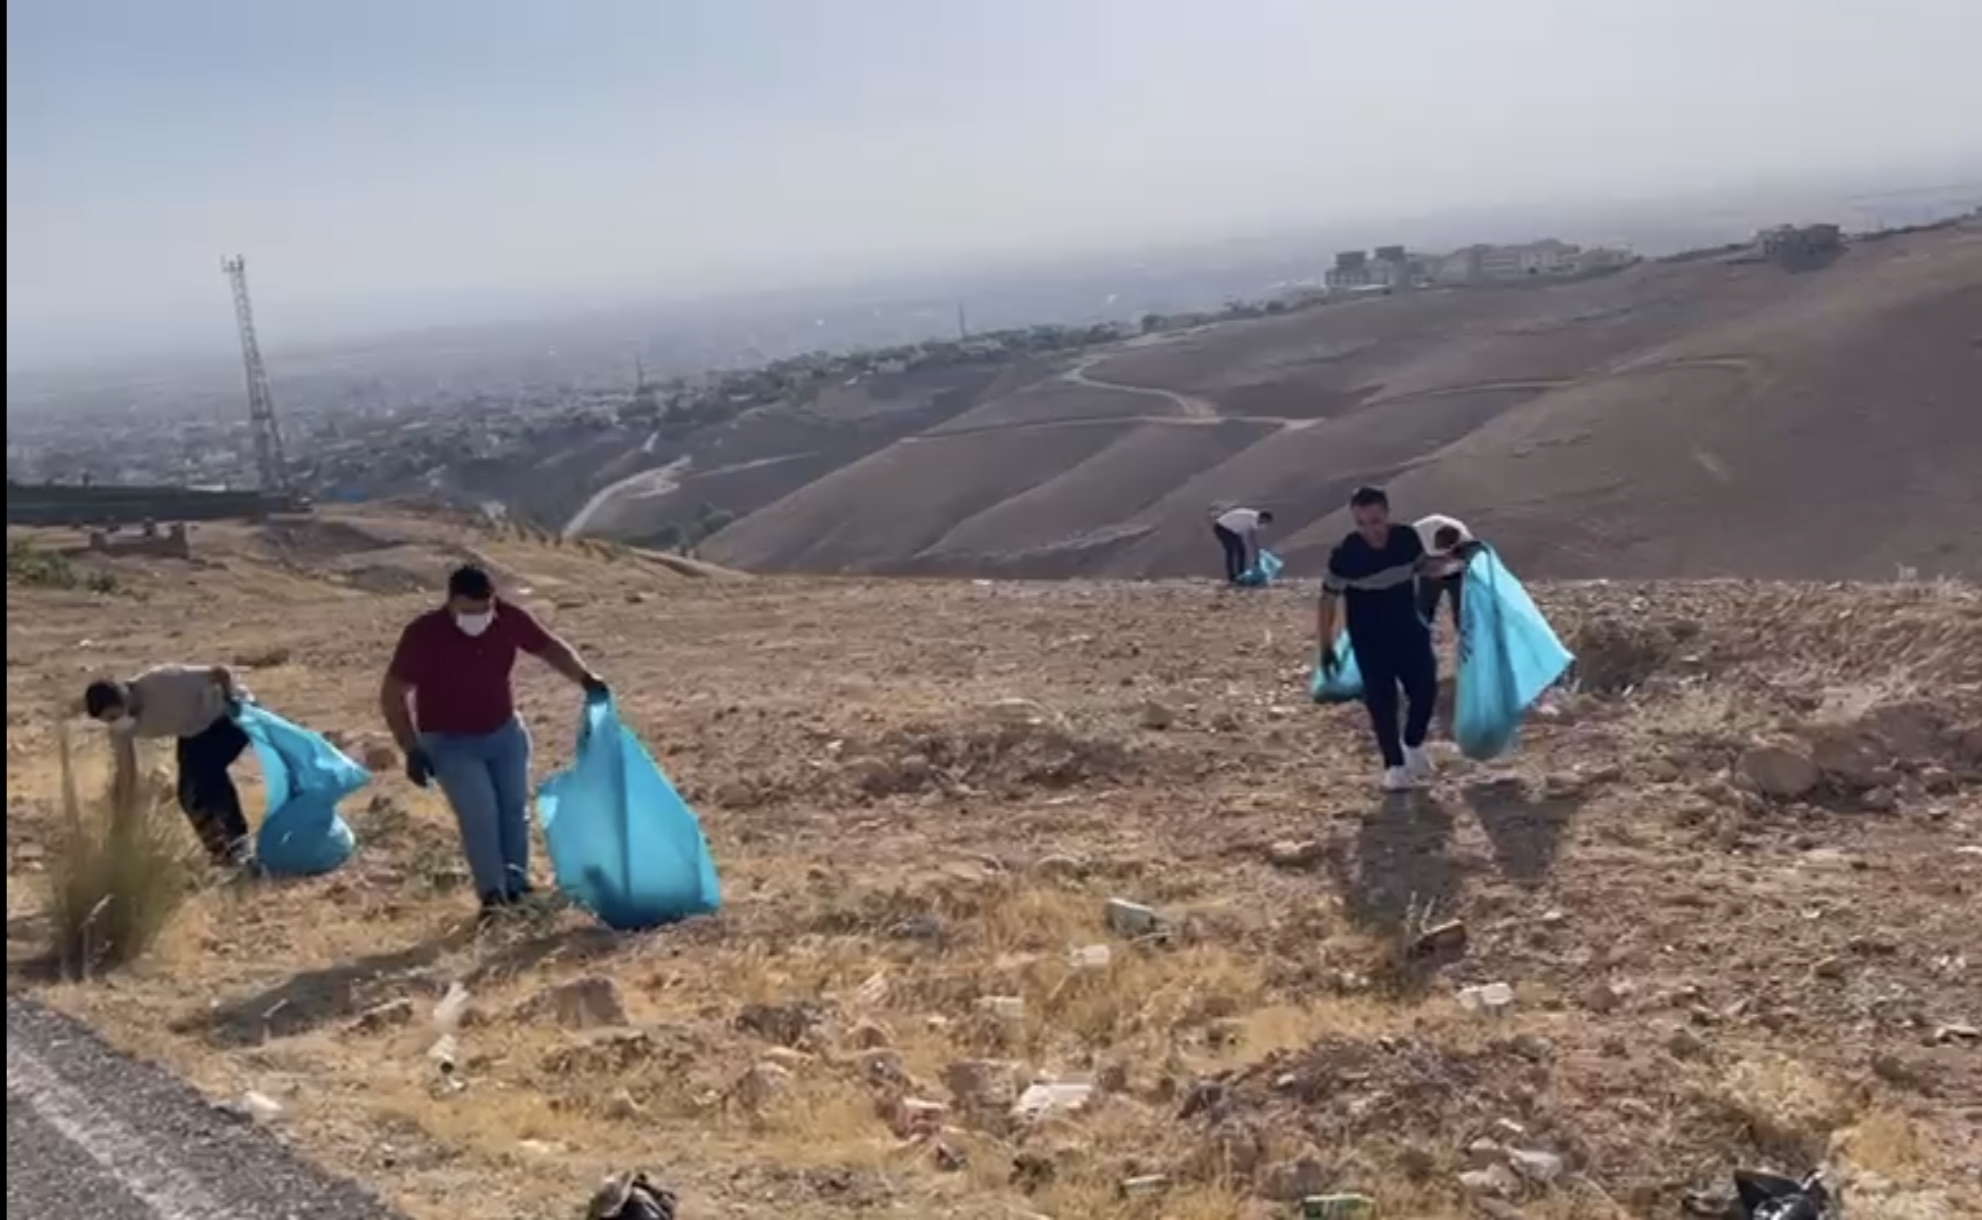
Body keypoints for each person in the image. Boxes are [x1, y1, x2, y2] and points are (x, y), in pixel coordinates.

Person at [380, 564, 608, 916]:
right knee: (479, 813)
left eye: (484, 609)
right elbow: (393, 694)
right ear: (451, 603)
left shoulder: (508, 618)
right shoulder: (424, 634)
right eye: (468, 611)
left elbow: (549, 648)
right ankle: (493, 898)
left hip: (504, 734)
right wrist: (411, 748)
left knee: (513, 812)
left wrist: (585, 678)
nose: (479, 618)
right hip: (450, 742)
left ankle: (518, 890)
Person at [1316, 486, 1445, 792]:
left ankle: (1413, 744)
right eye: (1361, 523)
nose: (1370, 530)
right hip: (1368, 635)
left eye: (1375, 521)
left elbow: (1422, 567)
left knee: (1425, 688)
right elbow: (1327, 600)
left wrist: (1454, 565)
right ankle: (1394, 765)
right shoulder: (1345, 555)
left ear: (1387, 514)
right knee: (1382, 700)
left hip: (1408, 626)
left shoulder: (1406, 538)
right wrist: (1325, 646)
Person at [83, 664, 255, 865]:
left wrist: (231, 701)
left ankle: (240, 843)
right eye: (107, 721)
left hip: (228, 717)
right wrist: (121, 820)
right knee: (187, 795)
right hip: (194, 730)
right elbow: (126, 774)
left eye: (114, 716)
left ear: (124, 698)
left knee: (206, 772)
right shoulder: (120, 729)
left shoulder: (163, 682)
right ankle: (221, 854)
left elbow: (220, 673)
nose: (114, 723)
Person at [1412, 513, 1483, 635]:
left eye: (1447, 551)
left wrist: (1449, 565)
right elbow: (1408, 560)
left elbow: (1468, 560)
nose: (1443, 554)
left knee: (1462, 611)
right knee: (1424, 610)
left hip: (1456, 574)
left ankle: (1465, 639)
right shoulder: (1416, 532)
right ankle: (1419, 637)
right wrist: (1427, 570)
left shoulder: (1464, 536)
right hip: (1427, 571)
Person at [1211, 506, 1274, 583]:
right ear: (1262, 517)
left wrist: (1256, 555)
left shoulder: (1253, 518)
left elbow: (1251, 539)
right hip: (1222, 527)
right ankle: (1233, 576)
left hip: (1232, 530)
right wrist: (1256, 555)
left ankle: (1240, 574)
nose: (1264, 524)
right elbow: (1251, 539)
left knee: (1240, 551)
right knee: (1231, 551)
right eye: (1265, 521)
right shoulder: (1252, 519)